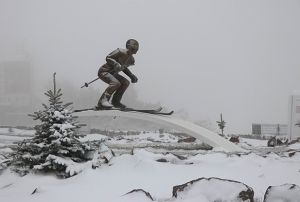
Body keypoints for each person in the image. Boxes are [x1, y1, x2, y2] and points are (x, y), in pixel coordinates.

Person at [97, 39, 139, 109]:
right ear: (128, 46)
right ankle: (103, 101)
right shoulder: (120, 51)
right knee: (116, 83)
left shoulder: (131, 59)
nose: (136, 47)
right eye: (134, 45)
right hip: (104, 71)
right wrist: (115, 63)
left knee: (125, 82)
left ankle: (116, 101)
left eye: (137, 46)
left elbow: (124, 68)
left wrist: (131, 75)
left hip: (113, 74)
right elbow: (108, 57)